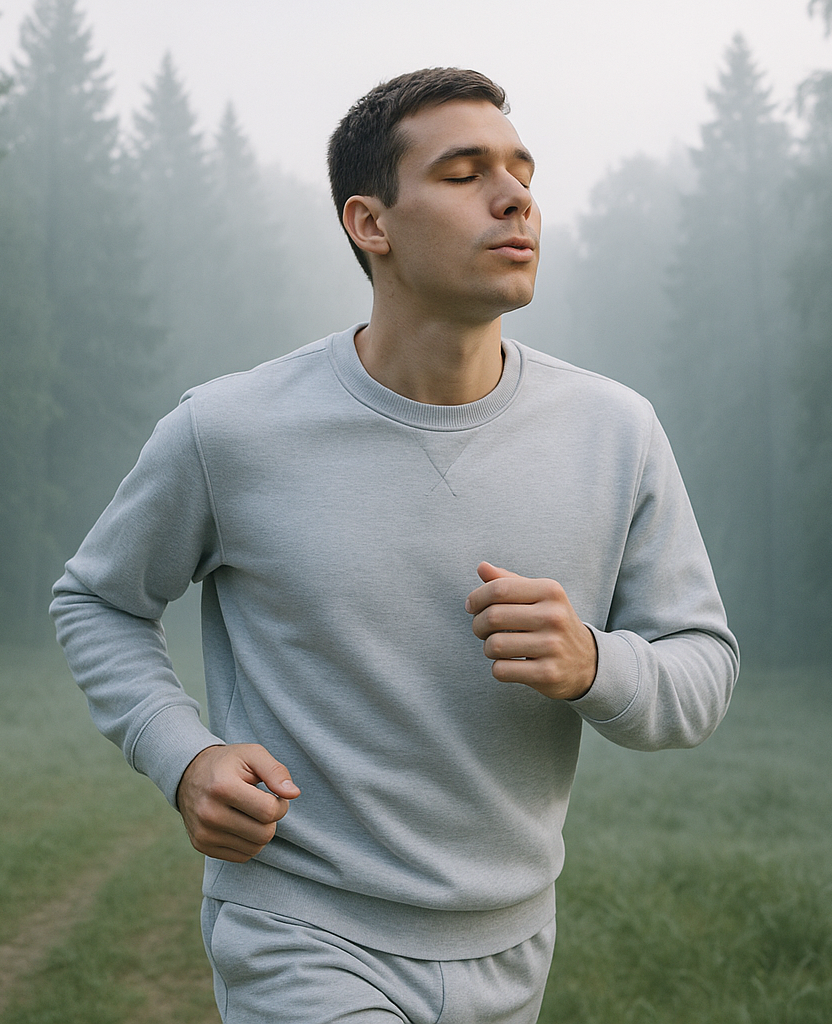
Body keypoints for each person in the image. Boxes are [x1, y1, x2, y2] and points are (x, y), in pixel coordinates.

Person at [51, 67, 738, 1024]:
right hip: (299, 930)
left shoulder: (616, 433)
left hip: (511, 945)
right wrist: (182, 755)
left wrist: (592, 664)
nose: (515, 197)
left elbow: (702, 670)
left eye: (522, 170)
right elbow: (98, 600)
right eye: (464, 173)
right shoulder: (230, 430)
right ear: (370, 223)